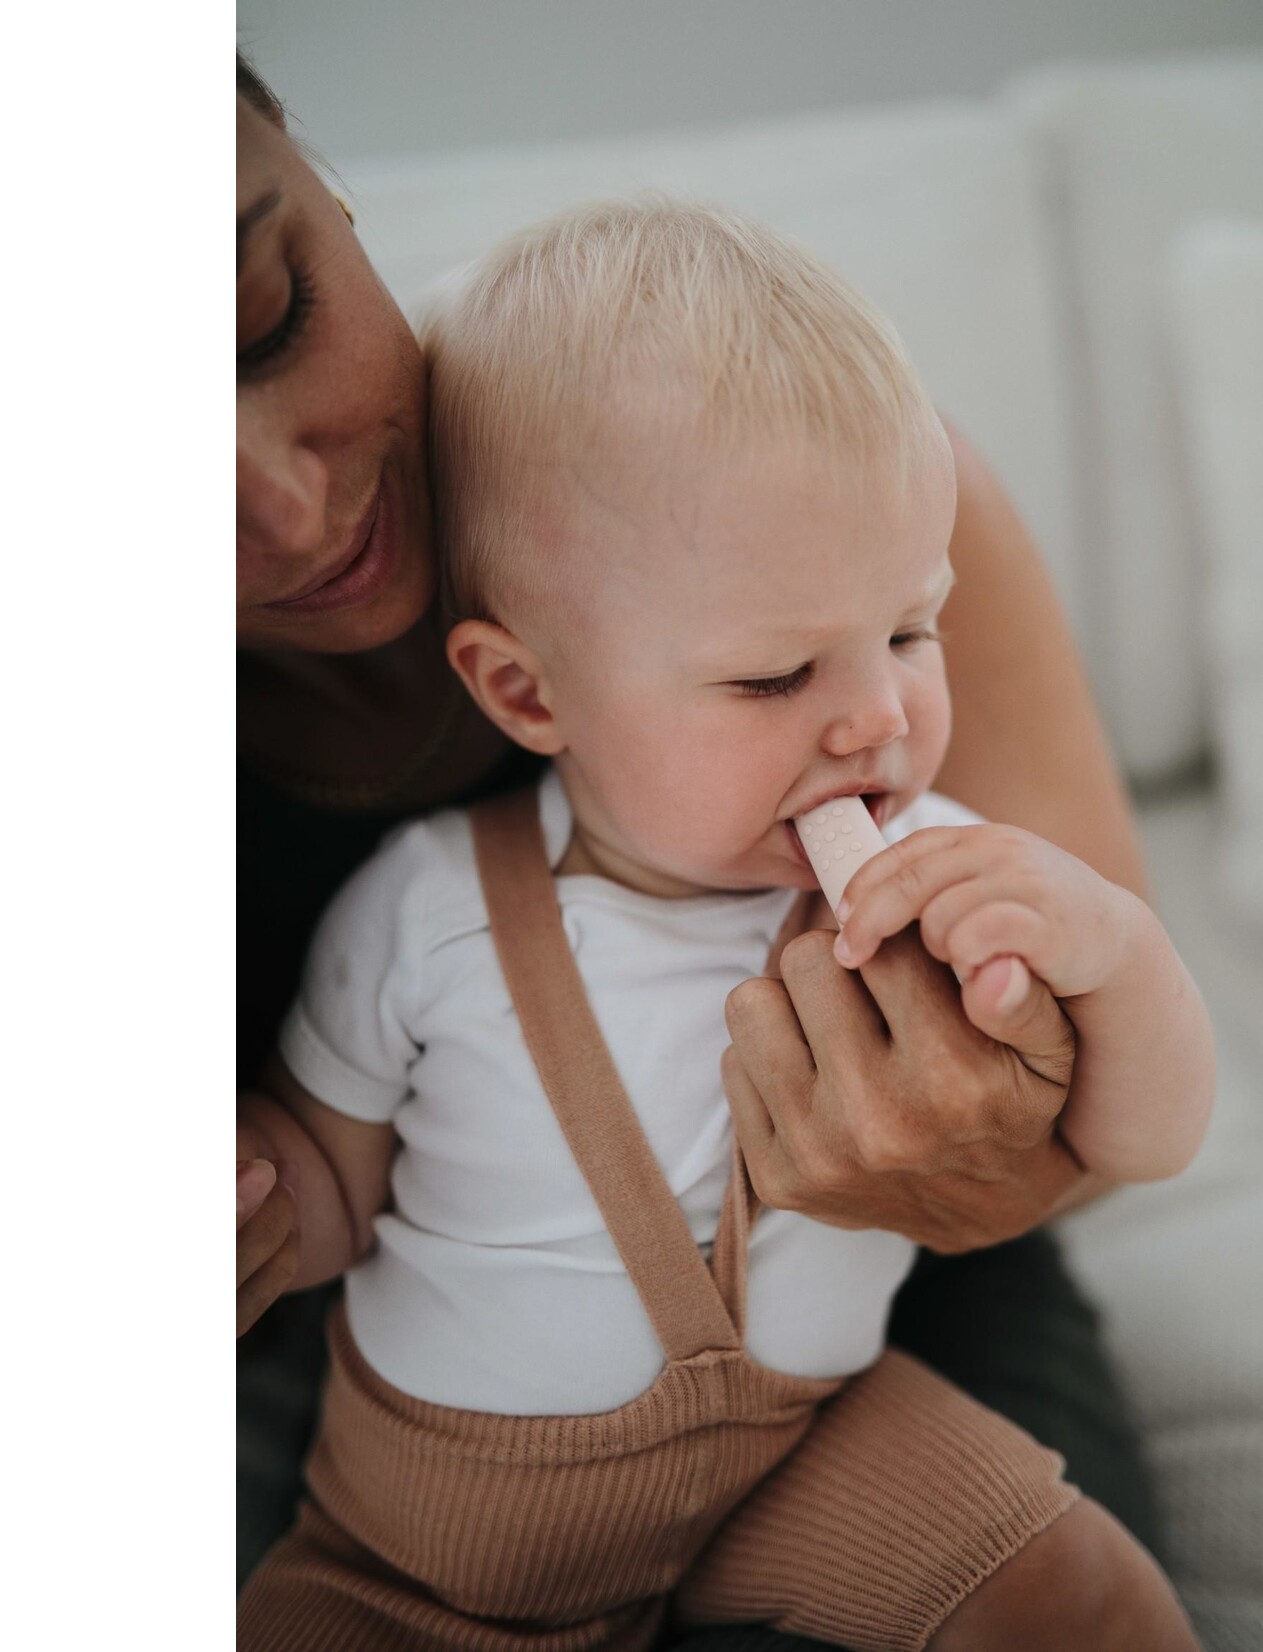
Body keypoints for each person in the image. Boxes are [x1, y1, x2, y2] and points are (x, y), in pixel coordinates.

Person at [235, 55, 1175, 1651]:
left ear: (323, 190)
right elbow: (328, 1176)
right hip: (429, 1451)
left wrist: (1078, 1025)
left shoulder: (785, 479)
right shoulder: (426, 917)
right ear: (522, 689)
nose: (291, 503)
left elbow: (1119, 1114)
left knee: (1081, 1598)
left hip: (837, 1379)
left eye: (268, 314)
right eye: (770, 678)